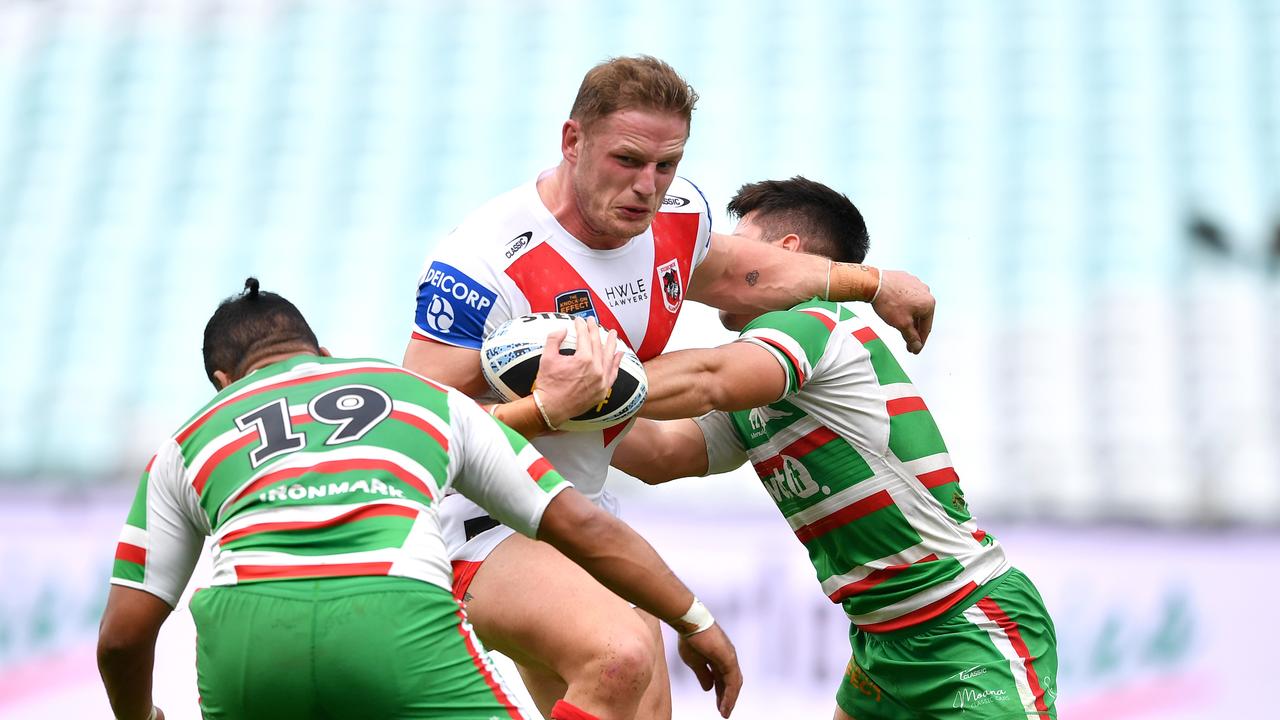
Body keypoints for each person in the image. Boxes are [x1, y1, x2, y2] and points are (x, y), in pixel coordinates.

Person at [404, 55, 938, 719]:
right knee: (618, 656)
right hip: (477, 517)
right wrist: (546, 409)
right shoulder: (483, 259)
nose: (647, 186)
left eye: (666, 165)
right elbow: (413, 436)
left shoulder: (677, 220)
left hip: (578, 510)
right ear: (572, 142)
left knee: (648, 707)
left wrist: (875, 283)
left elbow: (752, 272)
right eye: (627, 161)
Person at [97, 279, 742, 720]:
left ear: (221, 381)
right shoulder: (413, 393)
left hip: (245, 637)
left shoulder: (185, 443)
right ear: (323, 353)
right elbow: (581, 526)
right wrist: (695, 620)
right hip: (393, 610)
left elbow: (123, 639)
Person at [612, 177, 1058, 719]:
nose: (720, 263)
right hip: (880, 643)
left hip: (965, 622)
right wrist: (554, 416)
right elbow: (661, 454)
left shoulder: (813, 325)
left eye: (738, 241)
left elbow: (708, 378)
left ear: (786, 252)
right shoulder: (765, 372)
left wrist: (578, 374)